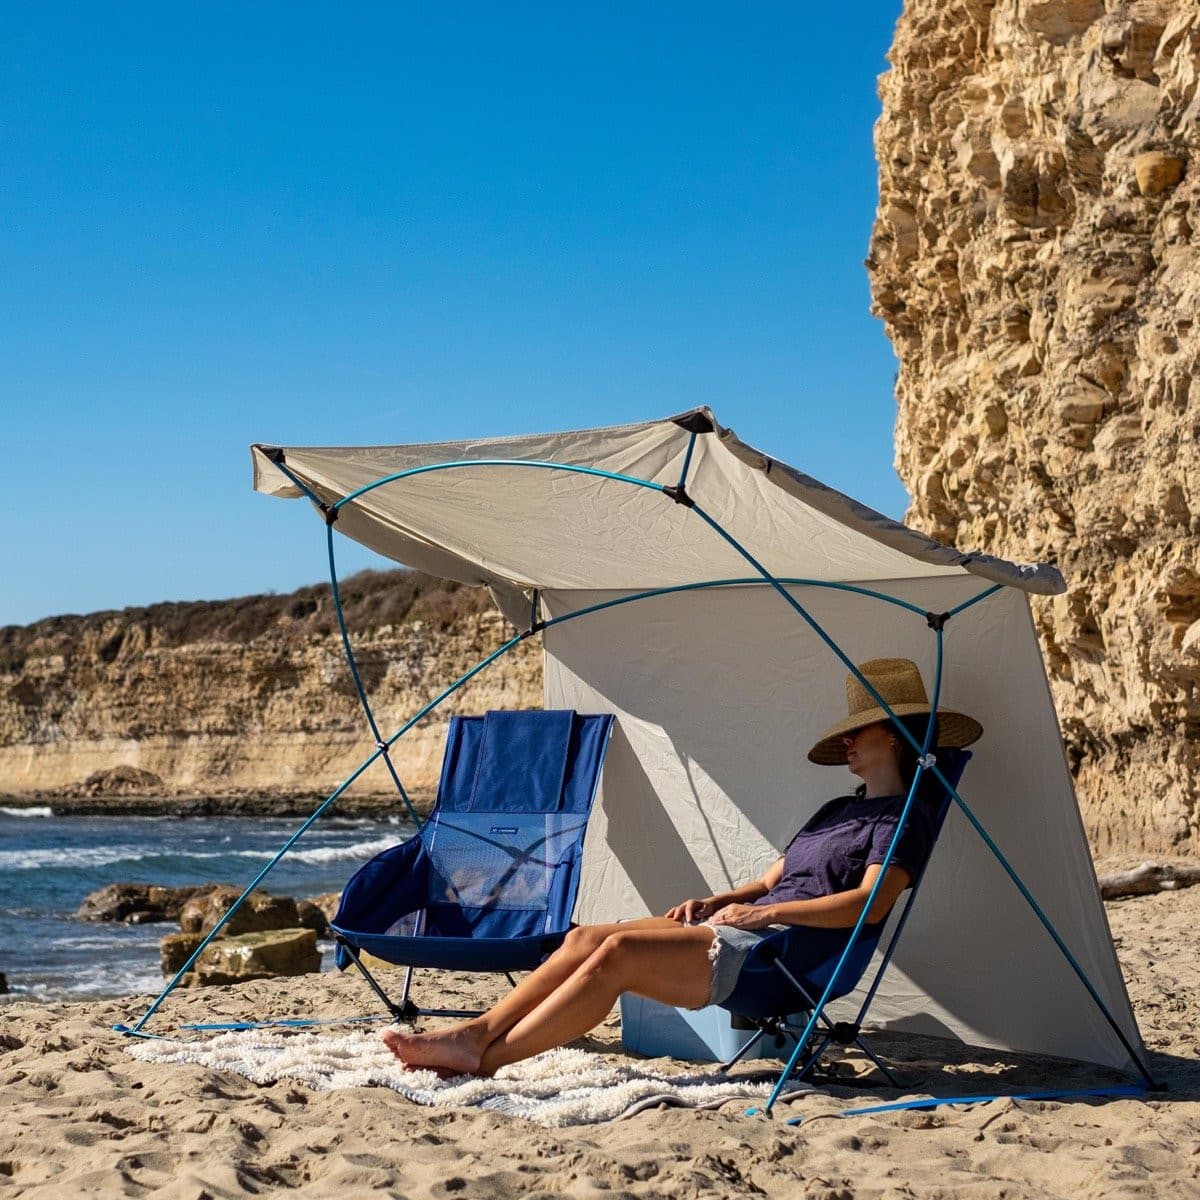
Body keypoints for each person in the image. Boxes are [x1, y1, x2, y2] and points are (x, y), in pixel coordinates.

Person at [382, 657, 982, 1076]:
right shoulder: (833, 809)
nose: (847, 743)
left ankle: (487, 1060)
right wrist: (718, 903)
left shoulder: (904, 820)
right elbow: (771, 880)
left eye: (860, 731)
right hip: (742, 928)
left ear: (896, 736)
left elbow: (868, 905)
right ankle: (474, 1033)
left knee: (614, 960)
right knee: (586, 936)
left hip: (780, 956)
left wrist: (761, 915)